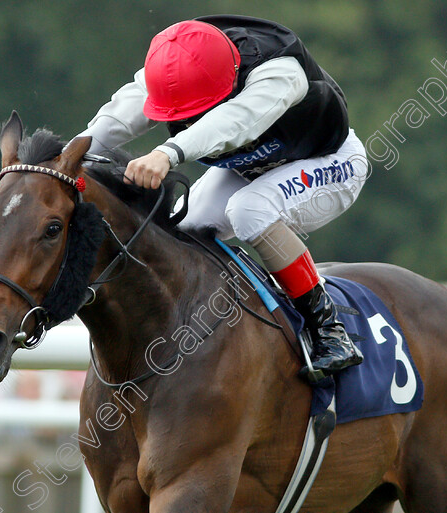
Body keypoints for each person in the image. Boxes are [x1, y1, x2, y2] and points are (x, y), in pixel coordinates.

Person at [78, 15, 366, 375]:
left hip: (330, 161)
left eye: (193, 113)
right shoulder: (178, 67)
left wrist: (167, 152)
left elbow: (234, 121)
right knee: (183, 227)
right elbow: (117, 119)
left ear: (226, 85)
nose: (185, 122)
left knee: (248, 210)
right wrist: (70, 154)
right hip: (248, 168)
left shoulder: (280, 74)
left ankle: (328, 328)